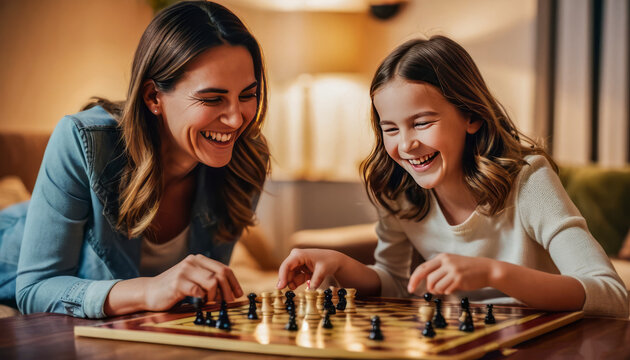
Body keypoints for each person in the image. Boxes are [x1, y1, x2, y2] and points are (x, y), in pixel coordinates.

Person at [277, 35, 628, 318]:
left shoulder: (529, 180)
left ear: (470, 117)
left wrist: (494, 273)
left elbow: (610, 294)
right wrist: (341, 264)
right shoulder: (399, 191)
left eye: (422, 122)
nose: (407, 144)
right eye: (390, 129)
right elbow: (397, 285)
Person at [0, 1, 270, 318]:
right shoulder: (82, 139)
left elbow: (205, 293)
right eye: (212, 98)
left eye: (247, 95)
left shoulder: (247, 159)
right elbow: (35, 289)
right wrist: (150, 289)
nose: (237, 120)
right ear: (153, 97)